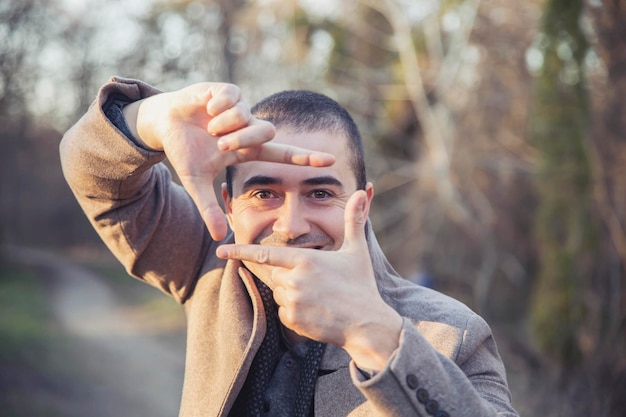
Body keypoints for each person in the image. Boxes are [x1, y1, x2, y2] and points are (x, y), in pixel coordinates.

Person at [60, 77, 519, 417]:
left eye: (320, 194)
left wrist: (374, 336)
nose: (292, 226)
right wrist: (150, 119)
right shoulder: (211, 265)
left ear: (363, 203)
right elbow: (95, 177)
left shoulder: (451, 333)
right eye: (264, 194)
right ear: (230, 205)